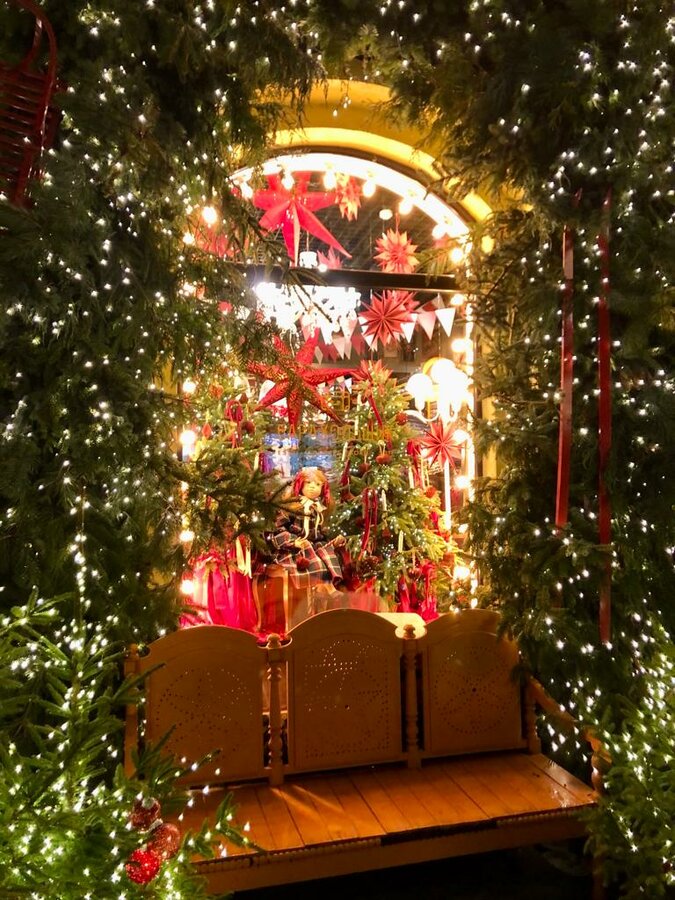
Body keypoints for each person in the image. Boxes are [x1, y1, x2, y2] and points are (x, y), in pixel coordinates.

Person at [262, 467, 345, 627]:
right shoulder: (291, 506)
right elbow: (277, 530)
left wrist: (333, 542)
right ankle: (326, 587)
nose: (313, 487)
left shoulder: (318, 509)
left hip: (310, 547)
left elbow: (319, 536)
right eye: (309, 483)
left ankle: (324, 587)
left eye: (318, 484)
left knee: (325, 550)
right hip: (290, 550)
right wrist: (294, 542)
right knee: (309, 548)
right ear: (300, 485)